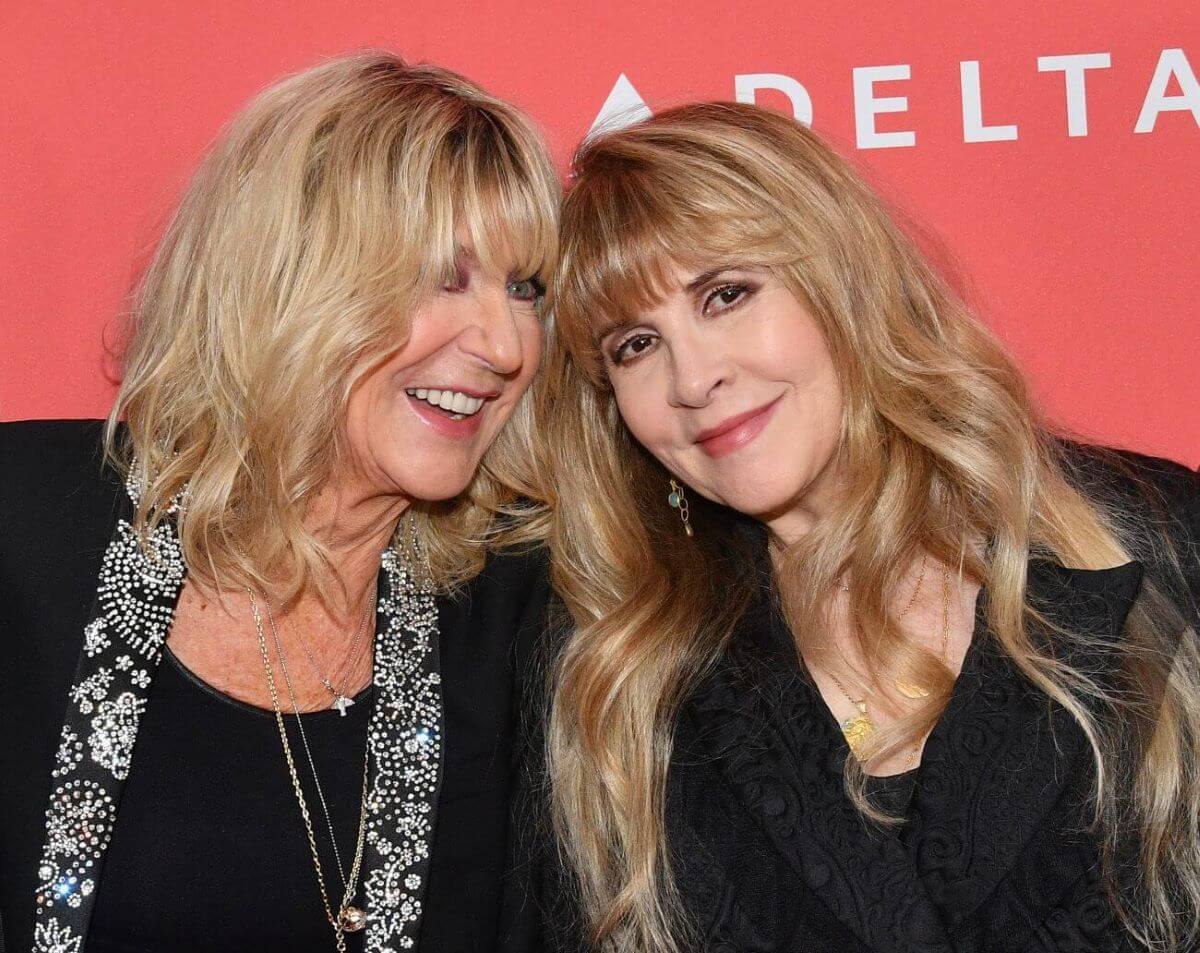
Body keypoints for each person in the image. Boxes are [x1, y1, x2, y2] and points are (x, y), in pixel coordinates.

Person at [535, 102, 1200, 952]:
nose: (693, 378)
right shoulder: (626, 694)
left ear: (840, 278)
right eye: (635, 345)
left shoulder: (1149, 538)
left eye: (726, 294)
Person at [0, 52, 559, 953]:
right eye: (439, 277)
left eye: (523, 288)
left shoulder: (519, 613)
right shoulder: (23, 524)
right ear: (288, 278)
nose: (502, 343)